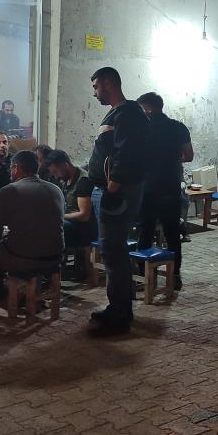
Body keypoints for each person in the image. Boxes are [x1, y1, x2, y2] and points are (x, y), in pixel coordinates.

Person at [87, 66, 149, 336]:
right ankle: (118, 307)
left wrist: (113, 189)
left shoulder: (128, 113)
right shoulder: (119, 113)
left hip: (117, 192)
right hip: (111, 190)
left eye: (96, 87)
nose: (94, 93)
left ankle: (120, 315)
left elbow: (128, 153)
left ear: (109, 83)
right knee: (113, 252)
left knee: (114, 252)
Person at [0, 150, 65, 315]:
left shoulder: (9, 190)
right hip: (54, 257)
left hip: (23, 259)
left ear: (15, 169)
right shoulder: (56, 189)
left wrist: (6, 234)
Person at [135, 92, 193, 291]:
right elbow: (189, 155)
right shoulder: (178, 127)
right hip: (170, 186)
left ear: (148, 108)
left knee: (145, 232)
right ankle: (174, 276)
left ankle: (144, 277)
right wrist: (172, 160)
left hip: (147, 189)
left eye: (141, 109)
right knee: (172, 233)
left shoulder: (141, 128)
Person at [46, 149, 97, 249]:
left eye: (56, 172)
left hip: (84, 229)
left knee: (53, 226)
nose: (56, 177)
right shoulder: (66, 180)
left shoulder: (83, 181)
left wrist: (60, 216)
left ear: (65, 165)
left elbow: (84, 216)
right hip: (71, 223)